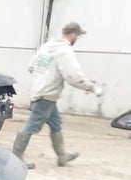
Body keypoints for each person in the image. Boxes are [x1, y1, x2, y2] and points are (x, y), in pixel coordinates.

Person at [12, 22, 104, 169]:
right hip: (47, 94)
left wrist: (43, 78)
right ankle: (15, 157)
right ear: (74, 35)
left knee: (56, 123)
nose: (77, 39)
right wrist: (92, 87)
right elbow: (74, 76)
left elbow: (31, 66)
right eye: (78, 36)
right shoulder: (65, 51)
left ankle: (62, 156)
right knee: (31, 126)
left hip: (40, 92)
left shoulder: (47, 46)